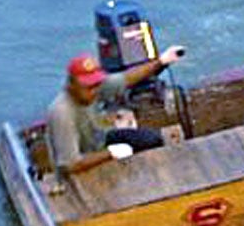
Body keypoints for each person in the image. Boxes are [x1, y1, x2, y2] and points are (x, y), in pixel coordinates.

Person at [44, 45, 189, 178]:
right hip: (79, 167)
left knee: (151, 139)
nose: (94, 91)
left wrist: (162, 61)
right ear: (71, 85)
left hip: (99, 142)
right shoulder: (61, 113)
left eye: (96, 85)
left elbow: (127, 78)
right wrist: (111, 154)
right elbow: (71, 165)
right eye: (88, 87)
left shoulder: (95, 88)